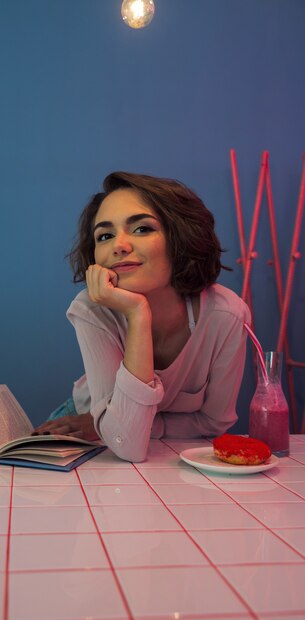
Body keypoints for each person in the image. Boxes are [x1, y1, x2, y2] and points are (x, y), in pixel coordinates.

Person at [32, 172, 251, 462]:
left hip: (140, 437)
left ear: (180, 237)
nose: (118, 245)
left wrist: (135, 425)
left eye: (142, 229)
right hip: (82, 428)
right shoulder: (92, 309)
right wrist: (137, 314)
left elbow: (213, 424)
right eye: (105, 236)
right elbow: (126, 446)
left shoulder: (226, 315)